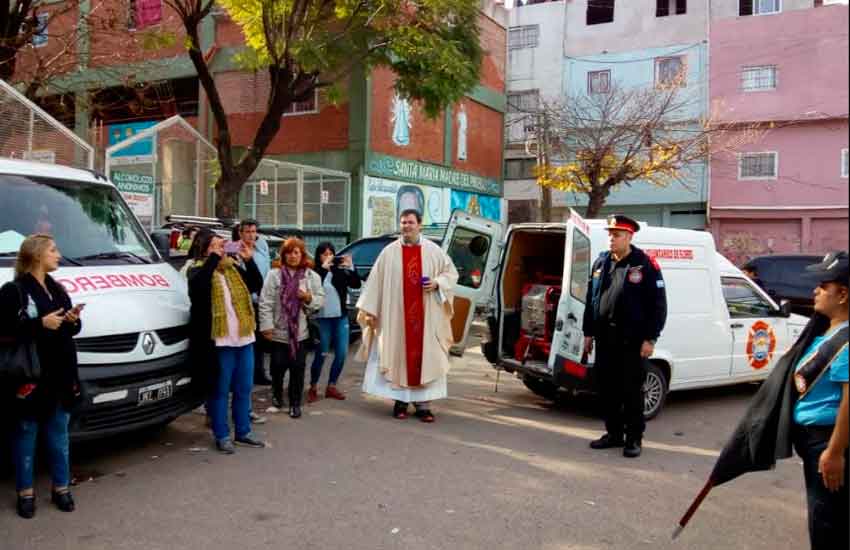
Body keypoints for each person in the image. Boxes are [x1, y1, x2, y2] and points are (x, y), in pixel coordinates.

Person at [0, 234, 83, 518]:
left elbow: (70, 331)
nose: (58, 254)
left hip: (60, 375)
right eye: (53, 250)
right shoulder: (14, 291)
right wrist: (39, 324)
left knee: (59, 434)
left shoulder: (57, 288)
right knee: (26, 434)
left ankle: (61, 488)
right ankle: (25, 493)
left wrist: (73, 320)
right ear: (36, 255)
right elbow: (5, 331)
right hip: (30, 376)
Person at [357, 209, 458, 423]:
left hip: (426, 317)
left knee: (426, 358)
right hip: (397, 318)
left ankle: (424, 406)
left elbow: (451, 274)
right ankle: (400, 402)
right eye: (403, 223)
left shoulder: (433, 250)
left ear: (419, 224)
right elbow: (375, 281)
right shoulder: (388, 252)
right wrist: (370, 309)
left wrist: (437, 283)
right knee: (399, 356)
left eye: (410, 222)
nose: (406, 226)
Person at [583, 215, 667, 458]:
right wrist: (588, 333)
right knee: (607, 390)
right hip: (605, 339)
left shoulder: (644, 264)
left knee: (630, 391)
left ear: (630, 236)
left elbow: (658, 306)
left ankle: (633, 439)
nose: (611, 238)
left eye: (617, 234)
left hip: (631, 341)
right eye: (610, 233)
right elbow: (592, 300)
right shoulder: (601, 263)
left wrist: (650, 339)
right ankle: (614, 434)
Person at [187, 229, 266, 454]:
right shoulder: (196, 270)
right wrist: (212, 257)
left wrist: (248, 260)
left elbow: (255, 283)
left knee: (243, 388)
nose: (222, 249)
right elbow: (199, 289)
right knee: (220, 390)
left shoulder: (232, 268)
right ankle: (221, 434)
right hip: (219, 342)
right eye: (216, 246)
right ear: (204, 248)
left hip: (244, 338)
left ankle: (243, 431)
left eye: (222, 245)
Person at [792, 252, 848, 550]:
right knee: (824, 518)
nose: (815, 290)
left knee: (828, 524)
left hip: (829, 442)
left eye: (822, 286)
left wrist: (835, 452)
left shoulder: (846, 339)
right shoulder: (827, 330)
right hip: (814, 442)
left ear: (842, 294)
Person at [259, 238, 324, 418]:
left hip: (300, 334)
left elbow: (320, 300)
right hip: (279, 332)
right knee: (277, 367)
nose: (293, 256)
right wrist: (266, 326)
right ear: (284, 255)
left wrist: (308, 298)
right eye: (289, 252)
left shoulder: (311, 276)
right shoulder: (274, 275)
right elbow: (265, 302)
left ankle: (295, 403)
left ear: (302, 255)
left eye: (296, 252)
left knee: (298, 368)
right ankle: (277, 394)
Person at [308, 242, 362, 403]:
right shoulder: (314, 272)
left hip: (340, 317)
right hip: (323, 318)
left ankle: (332, 385)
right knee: (322, 352)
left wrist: (351, 267)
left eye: (330, 253)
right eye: (324, 254)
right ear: (318, 256)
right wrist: (324, 268)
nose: (328, 256)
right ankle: (313, 385)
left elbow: (355, 284)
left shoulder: (339, 271)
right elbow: (314, 287)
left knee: (341, 353)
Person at [238, 219, 272, 387]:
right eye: (247, 232)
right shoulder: (235, 250)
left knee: (260, 340)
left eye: (253, 232)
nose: (251, 235)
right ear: (241, 233)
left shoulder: (262, 248)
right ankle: (245, 375)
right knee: (246, 340)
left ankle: (259, 373)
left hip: (262, 299)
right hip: (245, 301)